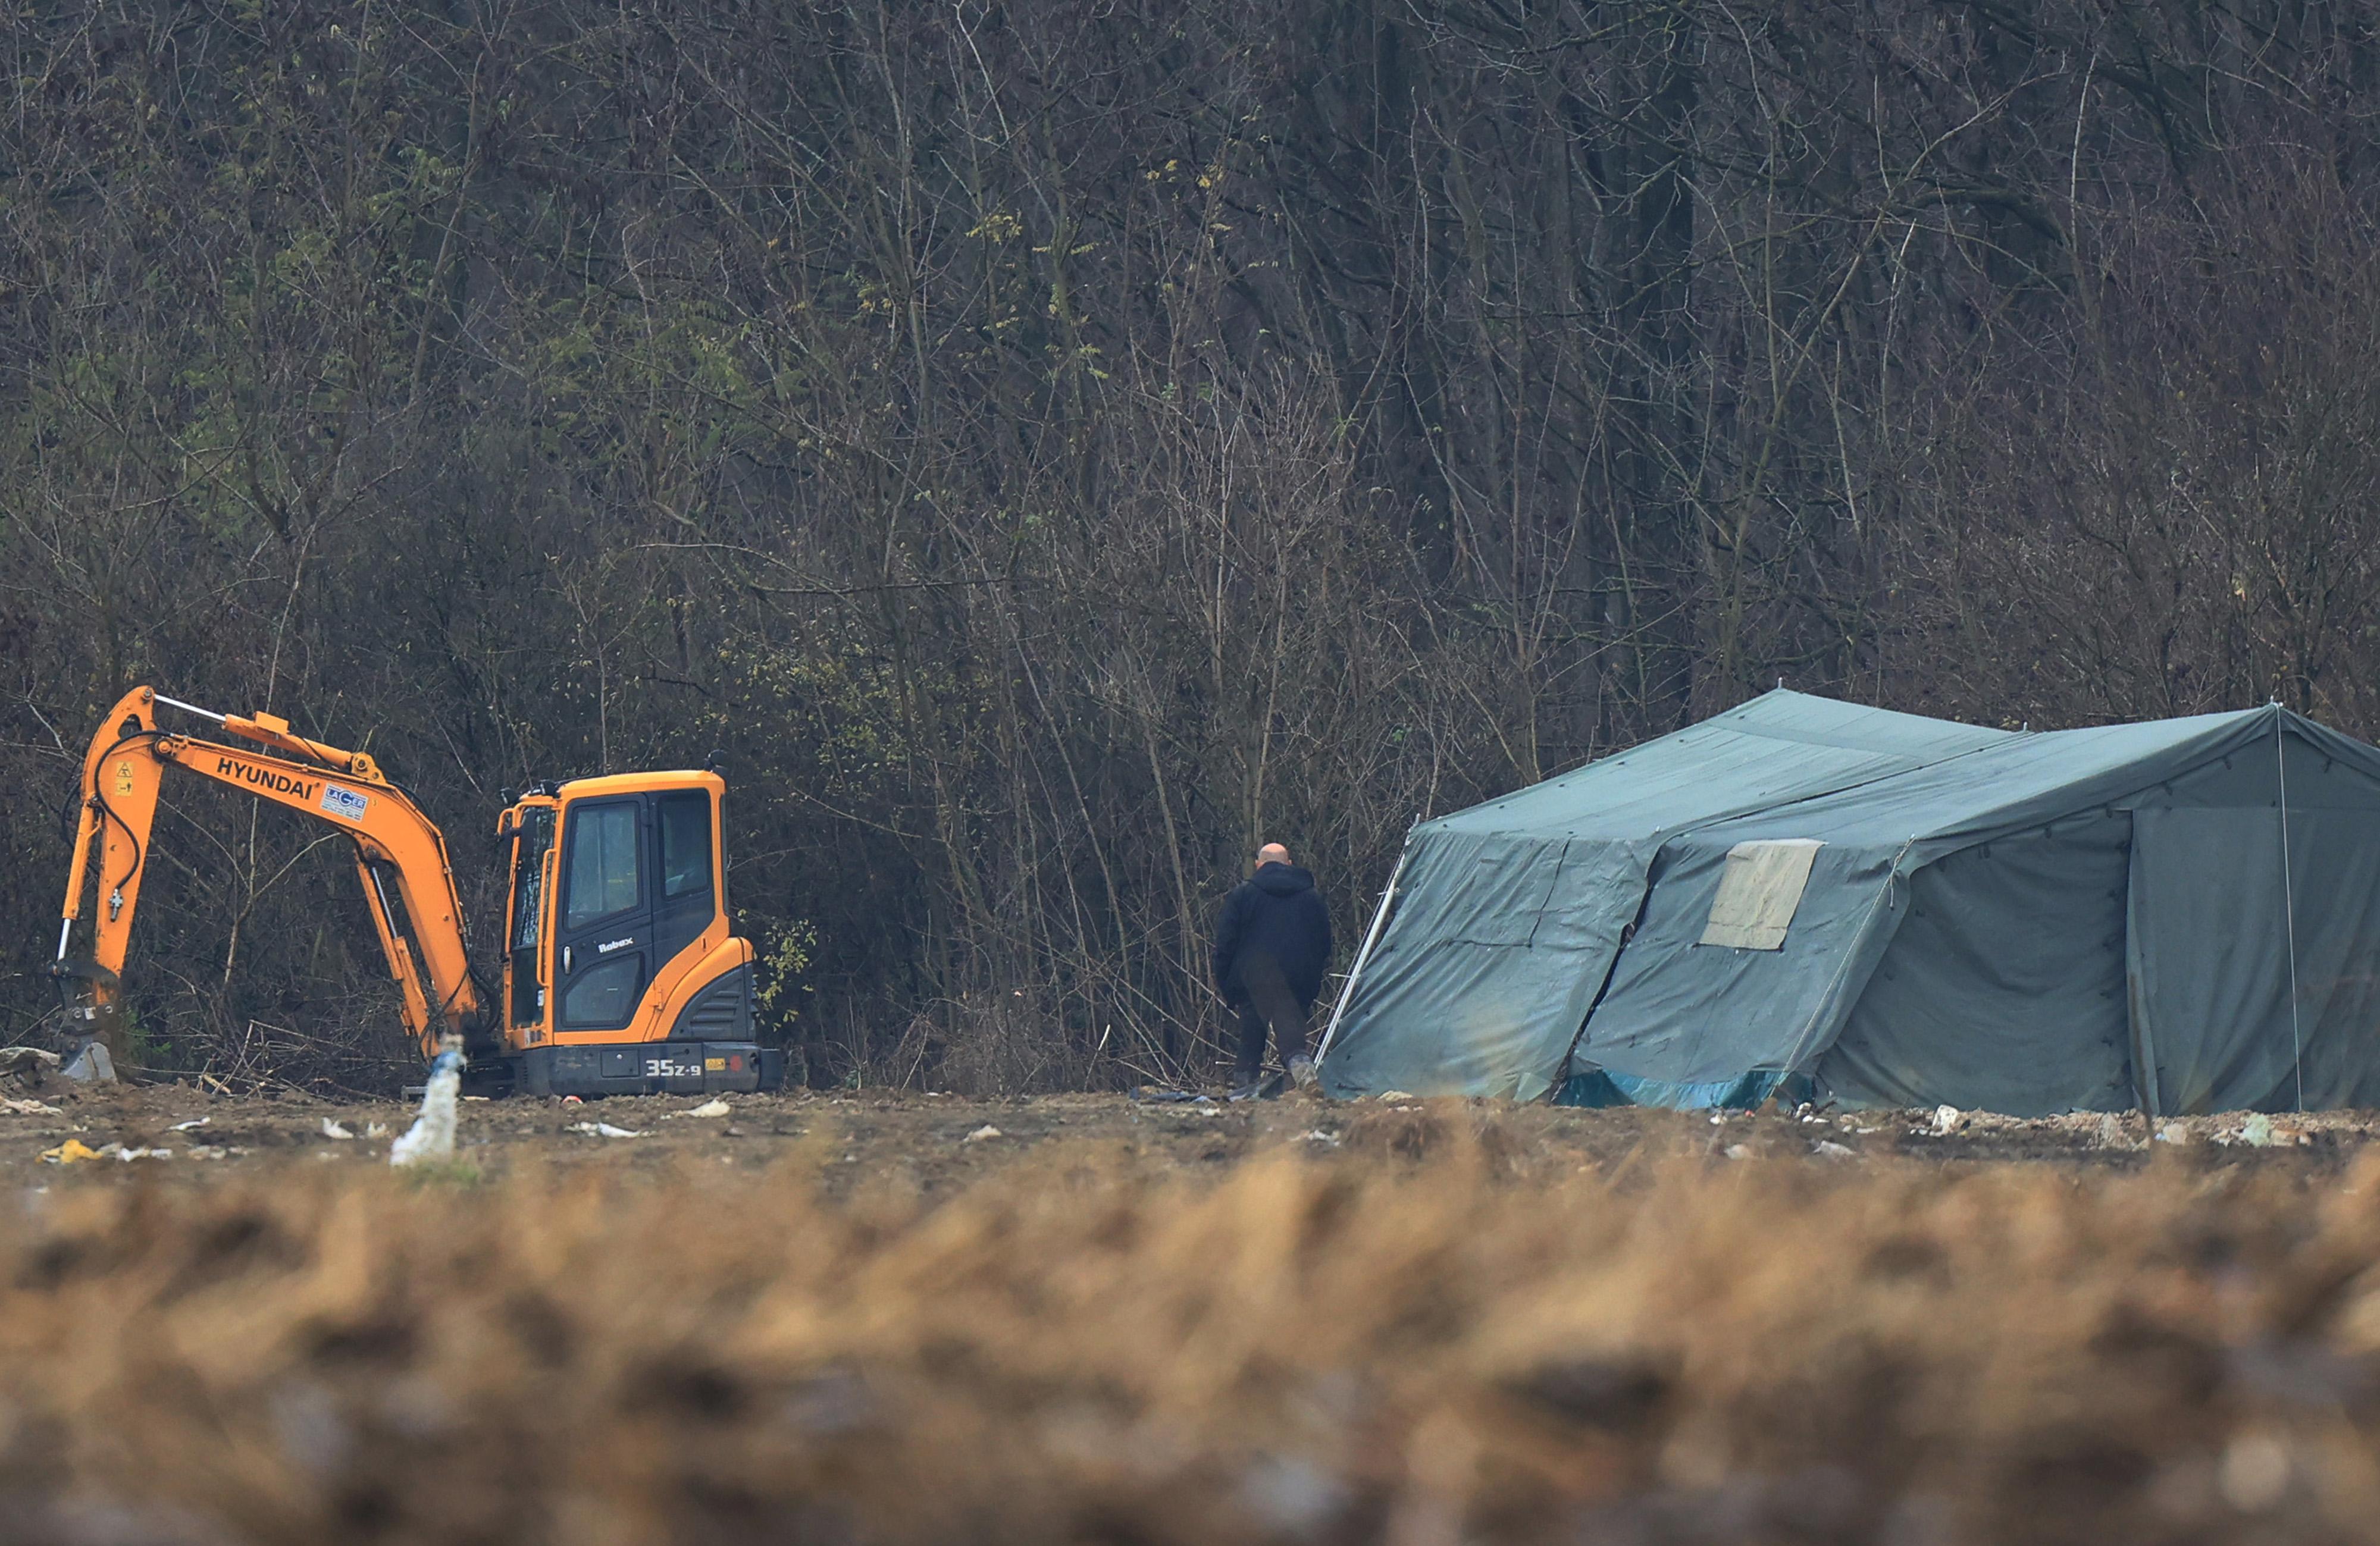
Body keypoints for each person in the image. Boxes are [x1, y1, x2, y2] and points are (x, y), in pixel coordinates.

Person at [1211, 842, 1333, 1099]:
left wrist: (1228, 985)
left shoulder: (1243, 895)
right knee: (1293, 1038)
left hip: (1252, 978)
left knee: (1251, 1040)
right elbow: (1324, 944)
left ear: (1259, 865)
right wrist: (1311, 980)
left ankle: (1245, 1095)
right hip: (1297, 978)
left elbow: (1225, 944)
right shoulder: (1311, 897)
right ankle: (1306, 1078)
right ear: (1289, 864)